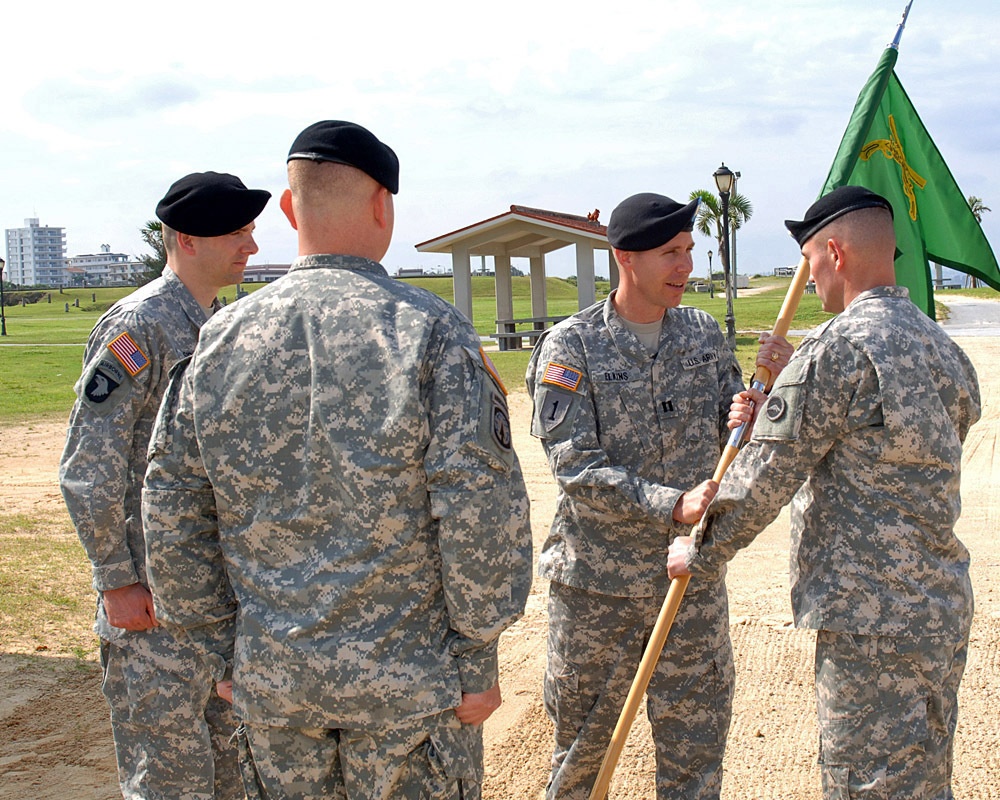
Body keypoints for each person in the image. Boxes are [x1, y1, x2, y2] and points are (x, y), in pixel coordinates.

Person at [140, 120, 533, 800]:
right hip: (411, 693)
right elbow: (479, 509)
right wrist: (477, 655)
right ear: (384, 205)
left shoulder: (217, 342)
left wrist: (219, 649)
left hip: (275, 685)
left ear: (290, 209)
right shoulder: (431, 332)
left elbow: (171, 514)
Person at [668, 185, 982, 800]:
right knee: (923, 778)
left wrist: (699, 550)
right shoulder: (944, 350)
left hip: (868, 620)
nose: (807, 278)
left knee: (864, 784)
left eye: (809, 260)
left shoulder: (836, 351)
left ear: (835, 254)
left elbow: (766, 476)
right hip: (938, 608)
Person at [526, 191, 792, 800]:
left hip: (688, 587)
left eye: (689, 251)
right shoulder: (572, 347)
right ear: (625, 257)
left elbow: (736, 438)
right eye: (670, 253)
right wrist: (670, 504)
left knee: (695, 764)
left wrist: (763, 396)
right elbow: (575, 468)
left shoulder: (701, 333)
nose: (686, 267)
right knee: (580, 764)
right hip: (599, 593)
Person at [59, 171, 270, 799]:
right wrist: (115, 579)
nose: (250, 247)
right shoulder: (139, 327)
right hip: (151, 604)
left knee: (232, 772)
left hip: (216, 598)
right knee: (169, 781)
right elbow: (88, 462)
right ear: (186, 239)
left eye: (250, 231)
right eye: (236, 233)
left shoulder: (224, 323)